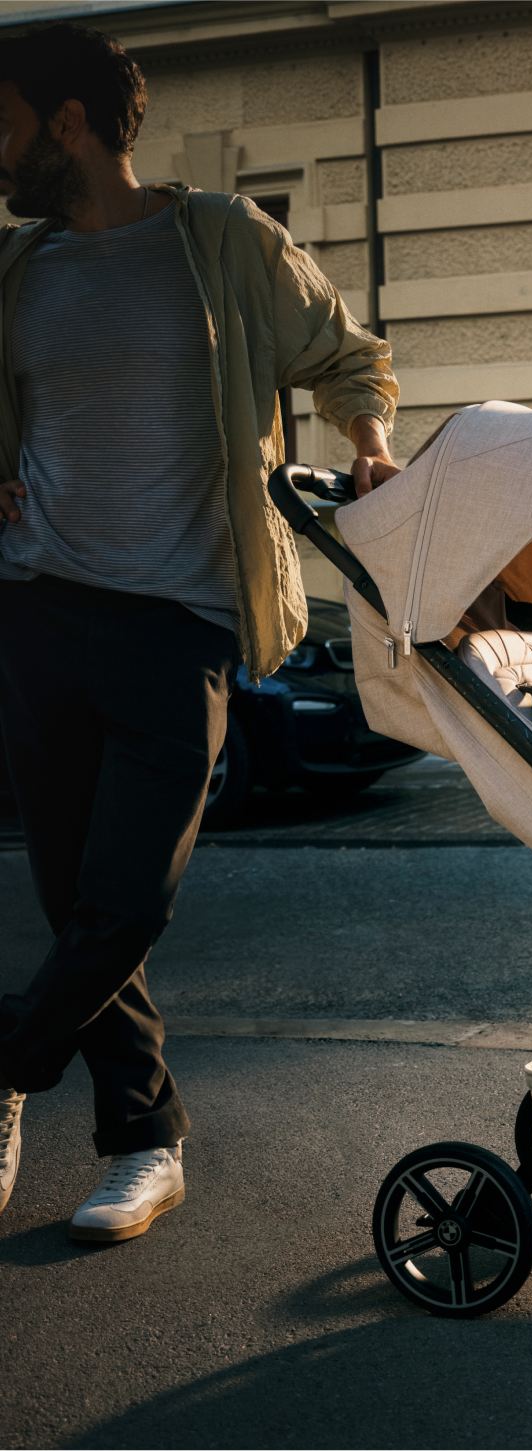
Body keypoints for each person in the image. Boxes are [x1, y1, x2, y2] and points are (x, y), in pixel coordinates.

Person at [0, 23, 399, 1240]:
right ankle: (146, 1140)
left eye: (3, 124)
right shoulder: (17, 273)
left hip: (184, 613)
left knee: (129, 895)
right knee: (74, 893)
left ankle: (10, 1064)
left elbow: (348, 354)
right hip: (38, 603)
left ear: (67, 124)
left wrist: (370, 443)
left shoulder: (220, 239)